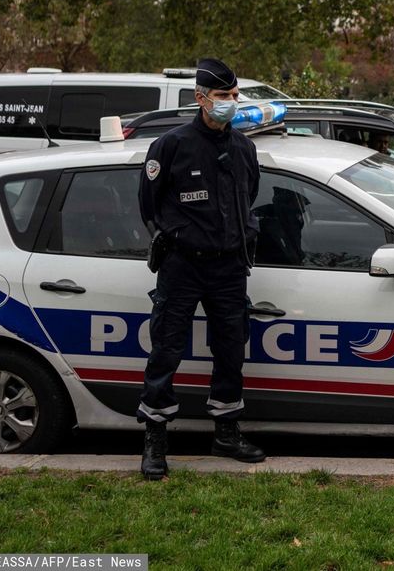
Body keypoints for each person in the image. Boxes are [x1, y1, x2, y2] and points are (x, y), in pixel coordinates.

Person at [136, 58, 265, 480]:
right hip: (182, 267)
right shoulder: (171, 146)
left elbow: (249, 198)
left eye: (233, 96)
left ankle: (226, 432)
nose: (230, 102)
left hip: (229, 268)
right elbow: (148, 206)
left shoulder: (244, 148)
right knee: (166, 350)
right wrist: (175, 237)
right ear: (200, 97)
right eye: (223, 96)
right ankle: (155, 440)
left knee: (231, 350)